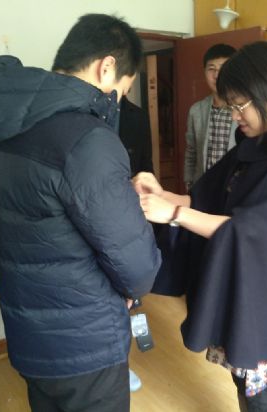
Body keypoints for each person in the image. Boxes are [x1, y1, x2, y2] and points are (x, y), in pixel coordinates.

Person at [0, 14, 161, 412]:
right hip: (84, 343)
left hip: (29, 336)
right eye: (122, 91)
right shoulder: (88, 138)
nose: (117, 103)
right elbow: (137, 267)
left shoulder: (1, 128)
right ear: (107, 67)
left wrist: (114, 192)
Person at [134, 41, 267, 412]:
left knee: (262, 394)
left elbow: (251, 232)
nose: (234, 116)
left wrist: (174, 214)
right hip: (244, 284)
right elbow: (207, 200)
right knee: (243, 379)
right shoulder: (253, 146)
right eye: (230, 105)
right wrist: (163, 195)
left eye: (239, 105)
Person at [118, 94, 154, 392]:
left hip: (131, 206)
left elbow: (145, 162)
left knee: (127, 292)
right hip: (98, 209)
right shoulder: (81, 115)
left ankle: (121, 362)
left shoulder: (137, 116)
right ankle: (117, 365)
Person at [184, 43, 237, 190]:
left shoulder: (244, 110)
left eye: (223, 68)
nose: (216, 75)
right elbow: (191, 151)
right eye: (211, 69)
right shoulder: (196, 110)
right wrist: (189, 183)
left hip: (235, 189)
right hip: (204, 187)